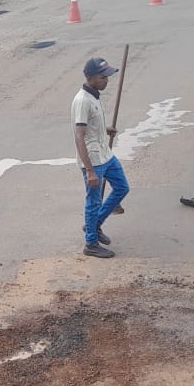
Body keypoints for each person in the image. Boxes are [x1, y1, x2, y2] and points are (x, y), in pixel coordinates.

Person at [72, 56, 130, 258]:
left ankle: (95, 224)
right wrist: (89, 171)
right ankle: (91, 243)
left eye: (107, 76)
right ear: (90, 77)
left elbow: (90, 126)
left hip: (105, 155)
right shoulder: (82, 101)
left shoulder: (94, 96)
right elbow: (79, 136)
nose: (107, 80)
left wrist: (105, 129)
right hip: (93, 160)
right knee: (94, 202)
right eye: (103, 77)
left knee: (122, 187)